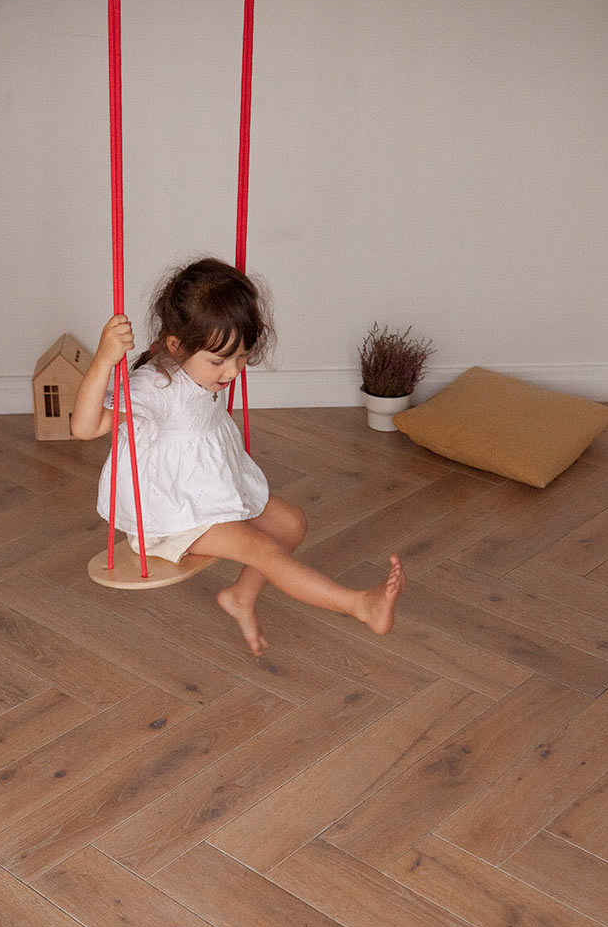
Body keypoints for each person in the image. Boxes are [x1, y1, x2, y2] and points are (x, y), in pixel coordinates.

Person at [71, 257, 405, 655]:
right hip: (170, 516)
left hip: (207, 496)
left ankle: (240, 598)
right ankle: (359, 605)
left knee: (290, 522)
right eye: (218, 360)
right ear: (177, 345)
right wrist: (104, 359)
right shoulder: (155, 386)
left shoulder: (203, 367)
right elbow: (84, 427)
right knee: (264, 549)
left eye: (241, 357)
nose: (231, 372)